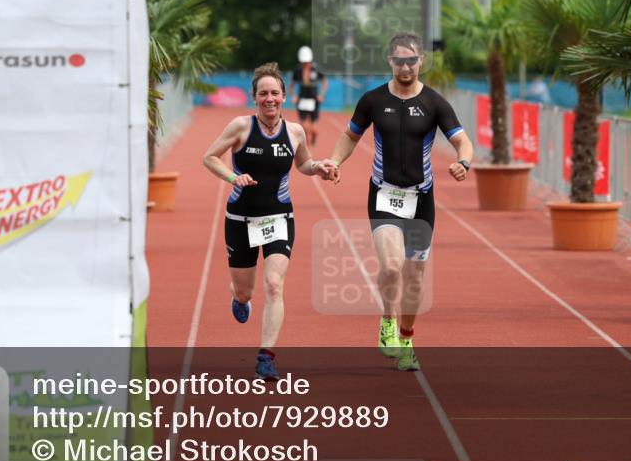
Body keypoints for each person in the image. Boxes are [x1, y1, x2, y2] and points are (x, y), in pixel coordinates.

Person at [329, 33, 474, 371]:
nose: (406, 66)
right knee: (393, 268)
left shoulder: (435, 103)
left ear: (421, 60)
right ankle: (387, 322)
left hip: (421, 197)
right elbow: (350, 136)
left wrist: (463, 162)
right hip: (383, 194)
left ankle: (407, 339)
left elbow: (463, 142)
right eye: (399, 61)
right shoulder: (373, 100)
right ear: (390, 61)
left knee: (416, 276)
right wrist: (335, 162)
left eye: (411, 60)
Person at [203, 63, 337, 380]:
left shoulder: (295, 132)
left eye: (275, 93)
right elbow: (209, 157)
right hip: (240, 218)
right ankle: (238, 296)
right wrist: (233, 177)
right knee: (245, 292)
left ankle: (266, 356)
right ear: (255, 97)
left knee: (274, 285)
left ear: (284, 96)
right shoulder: (239, 126)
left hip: (278, 216)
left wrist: (319, 166)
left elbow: (303, 164)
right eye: (263, 93)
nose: (269, 99)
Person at [291, 46, 328, 146]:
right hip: (302, 99)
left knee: (314, 129)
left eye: (307, 62)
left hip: (314, 100)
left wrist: (321, 94)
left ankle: (314, 135)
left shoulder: (316, 69)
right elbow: (292, 85)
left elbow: (324, 82)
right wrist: (293, 96)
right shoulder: (297, 71)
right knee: (304, 125)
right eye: (303, 62)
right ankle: (306, 146)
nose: (305, 64)